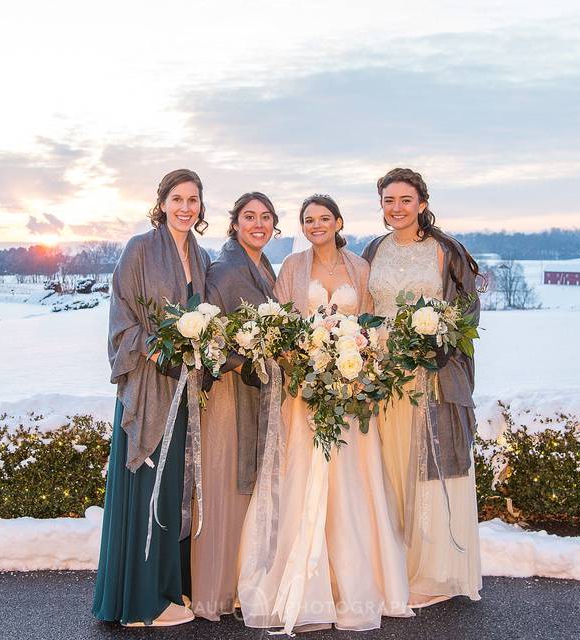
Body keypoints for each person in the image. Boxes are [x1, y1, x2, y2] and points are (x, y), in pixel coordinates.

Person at [237, 194, 413, 633]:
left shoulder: (360, 268)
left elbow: (372, 326)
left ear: (338, 222)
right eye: (308, 220)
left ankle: (352, 585)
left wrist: (357, 359)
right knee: (300, 477)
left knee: (351, 484)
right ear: (302, 226)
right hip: (303, 394)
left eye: (323, 218)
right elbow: (279, 326)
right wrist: (306, 355)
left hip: (349, 394)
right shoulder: (292, 268)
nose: (317, 225)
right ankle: (305, 583)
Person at [93, 169, 211, 627]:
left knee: (176, 486)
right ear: (161, 203)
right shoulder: (139, 249)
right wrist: (156, 345)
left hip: (185, 387)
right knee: (147, 482)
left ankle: (169, 587)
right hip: (148, 384)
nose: (185, 207)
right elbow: (121, 318)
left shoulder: (199, 256)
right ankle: (141, 602)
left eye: (193, 200)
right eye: (177, 199)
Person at [363, 167, 483, 608]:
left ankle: (432, 571)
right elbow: (366, 307)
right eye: (389, 201)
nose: (397, 208)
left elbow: (467, 313)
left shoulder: (446, 251)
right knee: (390, 469)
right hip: (384, 378)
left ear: (422, 204)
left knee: (428, 466)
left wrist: (439, 346)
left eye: (405, 201)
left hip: (430, 375)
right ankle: (393, 565)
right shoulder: (373, 249)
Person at [190, 192, 279, 620]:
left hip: (253, 388)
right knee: (227, 481)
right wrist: (244, 357)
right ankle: (217, 588)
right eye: (249, 217)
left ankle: (244, 578)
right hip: (229, 393)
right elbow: (211, 334)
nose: (257, 224)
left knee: (246, 483)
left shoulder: (262, 266)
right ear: (235, 223)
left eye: (265, 218)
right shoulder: (226, 269)